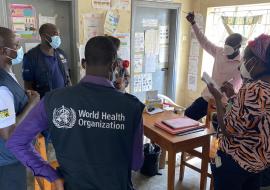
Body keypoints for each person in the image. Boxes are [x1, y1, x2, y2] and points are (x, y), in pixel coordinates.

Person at [7, 36, 145, 190]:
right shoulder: (131, 107)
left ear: (84, 64)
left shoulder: (53, 100)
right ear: (114, 66)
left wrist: (51, 174)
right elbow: (136, 163)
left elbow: (16, 142)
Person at [207, 34, 270, 190]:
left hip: (234, 163)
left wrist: (217, 97)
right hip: (259, 164)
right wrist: (233, 97)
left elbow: (227, 129)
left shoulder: (252, 89)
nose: (242, 65)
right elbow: (252, 116)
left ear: (255, 62)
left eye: (245, 60)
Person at [0, 27, 39, 190]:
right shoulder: (1, 86)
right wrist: (32, 103)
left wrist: (22, 97)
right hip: (8, 164)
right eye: (16, 46)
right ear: (3, 50)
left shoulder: (7, 74)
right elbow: (7, 133)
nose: (19, 50)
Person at [184, 12, 242, 121]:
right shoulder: (220, 52)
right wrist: (193, 23)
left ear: (238, 47)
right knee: (188, 115)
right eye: (226, 47)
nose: (226, 51)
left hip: (225, 103)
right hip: (208, 97)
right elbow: (204, 42)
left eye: (229, 48)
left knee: (219, 127)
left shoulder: (242, 63)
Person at [22, 23, 71, 98]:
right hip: (44, 102)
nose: (58, 37)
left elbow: (67, 78)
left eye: (58, 35)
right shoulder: (30, 57)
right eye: (55, 34)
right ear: (44, 36)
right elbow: (28, 85)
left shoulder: (61, 53)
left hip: (63, 99)